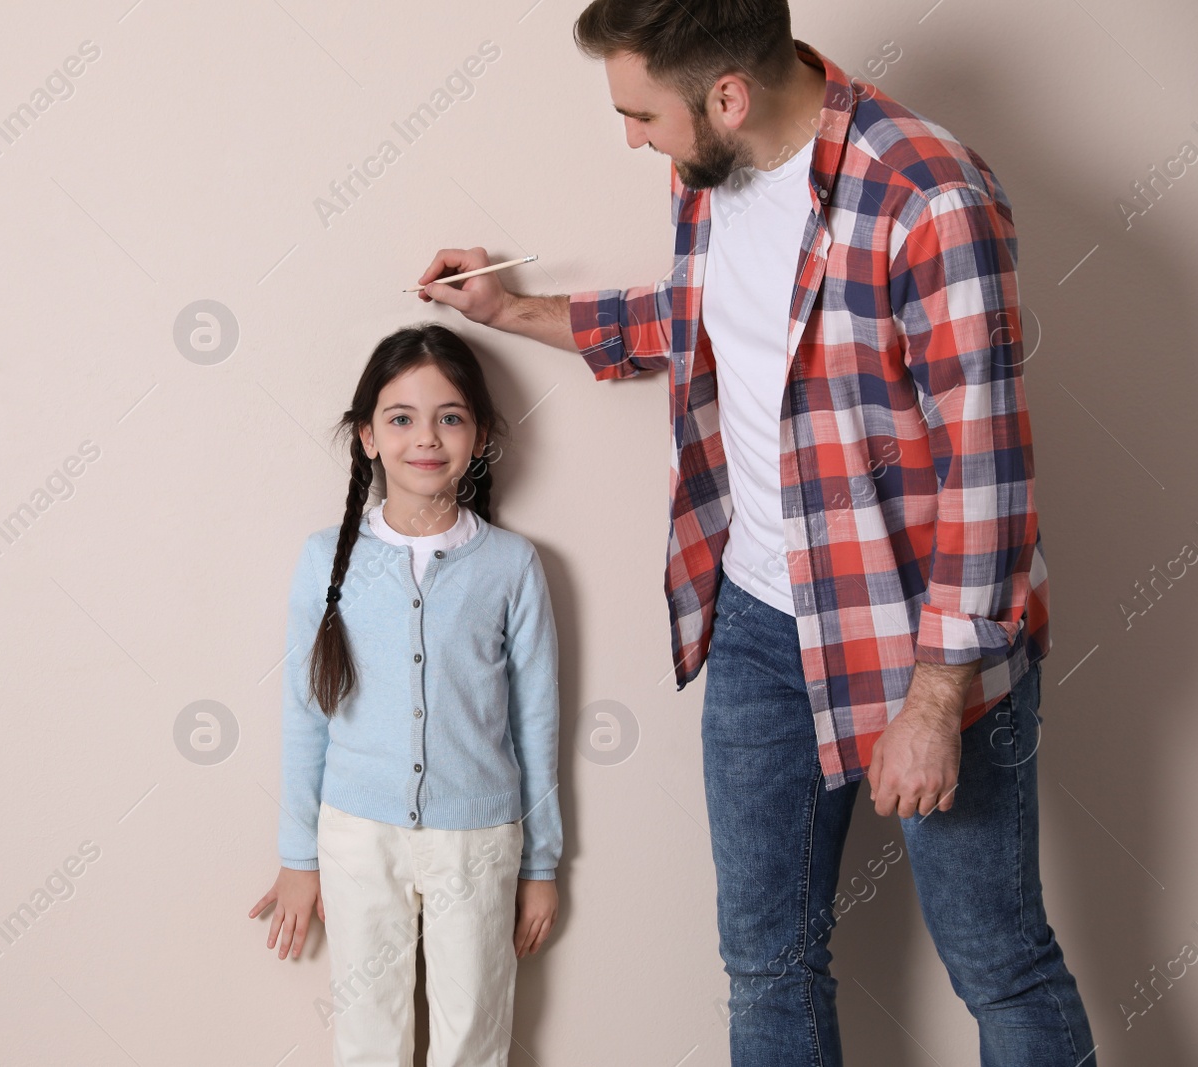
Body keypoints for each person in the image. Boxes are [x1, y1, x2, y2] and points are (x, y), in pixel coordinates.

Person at [413, 1, 1096, 1064]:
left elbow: (988, 467)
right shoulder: (714, 172)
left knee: (998, 961)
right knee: (766, 960)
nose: (632, 137)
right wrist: (512, 311)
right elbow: (694, 316)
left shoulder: (927, 196)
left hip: (917, 645)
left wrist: (934, 698)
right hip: (757, 623)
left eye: (642, 113)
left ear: (726, 95)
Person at [248, 323, 563, 1066]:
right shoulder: (326, 557)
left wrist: (541, 865)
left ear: (480, 435)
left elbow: (537, 721)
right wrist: (299, 855)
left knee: (474, 1034)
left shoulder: (513, 566)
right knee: (367, 1038)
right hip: (357, 837)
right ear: (367, 436)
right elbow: (305, 714)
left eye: (450, 416)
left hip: (478, 843)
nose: (426, 437)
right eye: (401, 418)